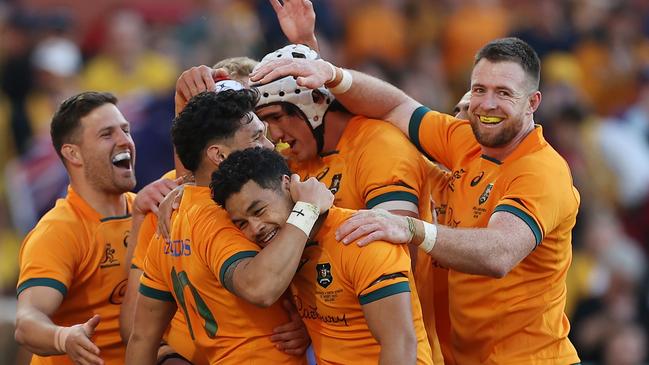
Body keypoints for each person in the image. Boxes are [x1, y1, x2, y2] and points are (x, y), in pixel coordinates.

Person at [250, 37, 582, 364]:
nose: (486, 104)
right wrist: (333, 75)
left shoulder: (541, 170)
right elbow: (396, 105)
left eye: (504, 93)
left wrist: (412, 229)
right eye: (479, 89)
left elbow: (499, 253)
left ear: (533, 102)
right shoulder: (465, 141)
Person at [125, 89, 332, 364]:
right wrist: (307, 210)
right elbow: (260, 287)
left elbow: (141, 337)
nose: (270, 146)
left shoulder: (174, 217)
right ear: (219, 155)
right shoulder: (221, 217)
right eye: (257, 137)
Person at [211, 147, 433, 365]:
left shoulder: (360, 237)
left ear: (288, 185)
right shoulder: (281, 250)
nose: (255, 228)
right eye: (242, 224)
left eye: (259, 211)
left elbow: (400, 344)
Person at [14, 91, 172, 365]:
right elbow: (27, 322)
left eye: (126, 130)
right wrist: (63, 338)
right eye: (107, 134)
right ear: (73, 153)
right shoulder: (59, 230)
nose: (125, 141)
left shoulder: (153, 210)